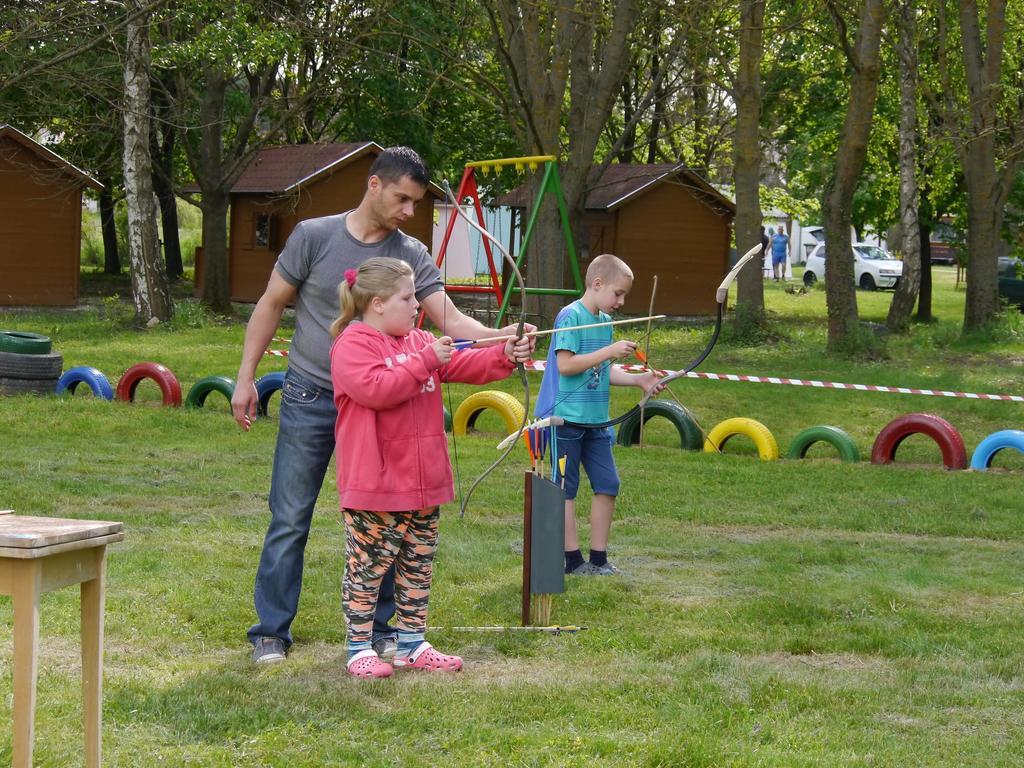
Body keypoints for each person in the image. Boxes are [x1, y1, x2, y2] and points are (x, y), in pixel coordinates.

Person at [232, 147, 534, 665]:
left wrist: (502, 341)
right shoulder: (313, 236)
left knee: (392, 515)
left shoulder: (410, 254)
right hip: (311, 392)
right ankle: (271, 633)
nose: (408, 211)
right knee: (290, 516)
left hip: (383, 405)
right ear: (374, 185)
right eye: (402, 198)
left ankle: (384, 633)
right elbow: (270, 304)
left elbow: (451, 324)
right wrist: (245, 380)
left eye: (416, 202)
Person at [329, 257, 529, 678]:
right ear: (378, 303)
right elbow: (376, 389)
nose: (417, 304)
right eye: (407, 298)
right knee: (367, 567)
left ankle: (411, 643)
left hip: (424, 484)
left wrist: (506, 353)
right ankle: (359, 647)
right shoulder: (353, 344)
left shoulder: (418, 339)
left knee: (417, 565)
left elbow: (467, 364)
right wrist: (425, 360)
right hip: (377, 483)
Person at [533, 254, 663, 577]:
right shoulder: (570, 317)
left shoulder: (605, 323)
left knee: (608, 483)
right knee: (565, 489)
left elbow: (603, 371)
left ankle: (599, 559)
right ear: (597, 284)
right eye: (617, 294)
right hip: (565, 420)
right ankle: (572, 560)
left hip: (596, 423)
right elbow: (566, 365)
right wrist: (609, 350)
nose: (620, 301)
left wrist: (637, 380)